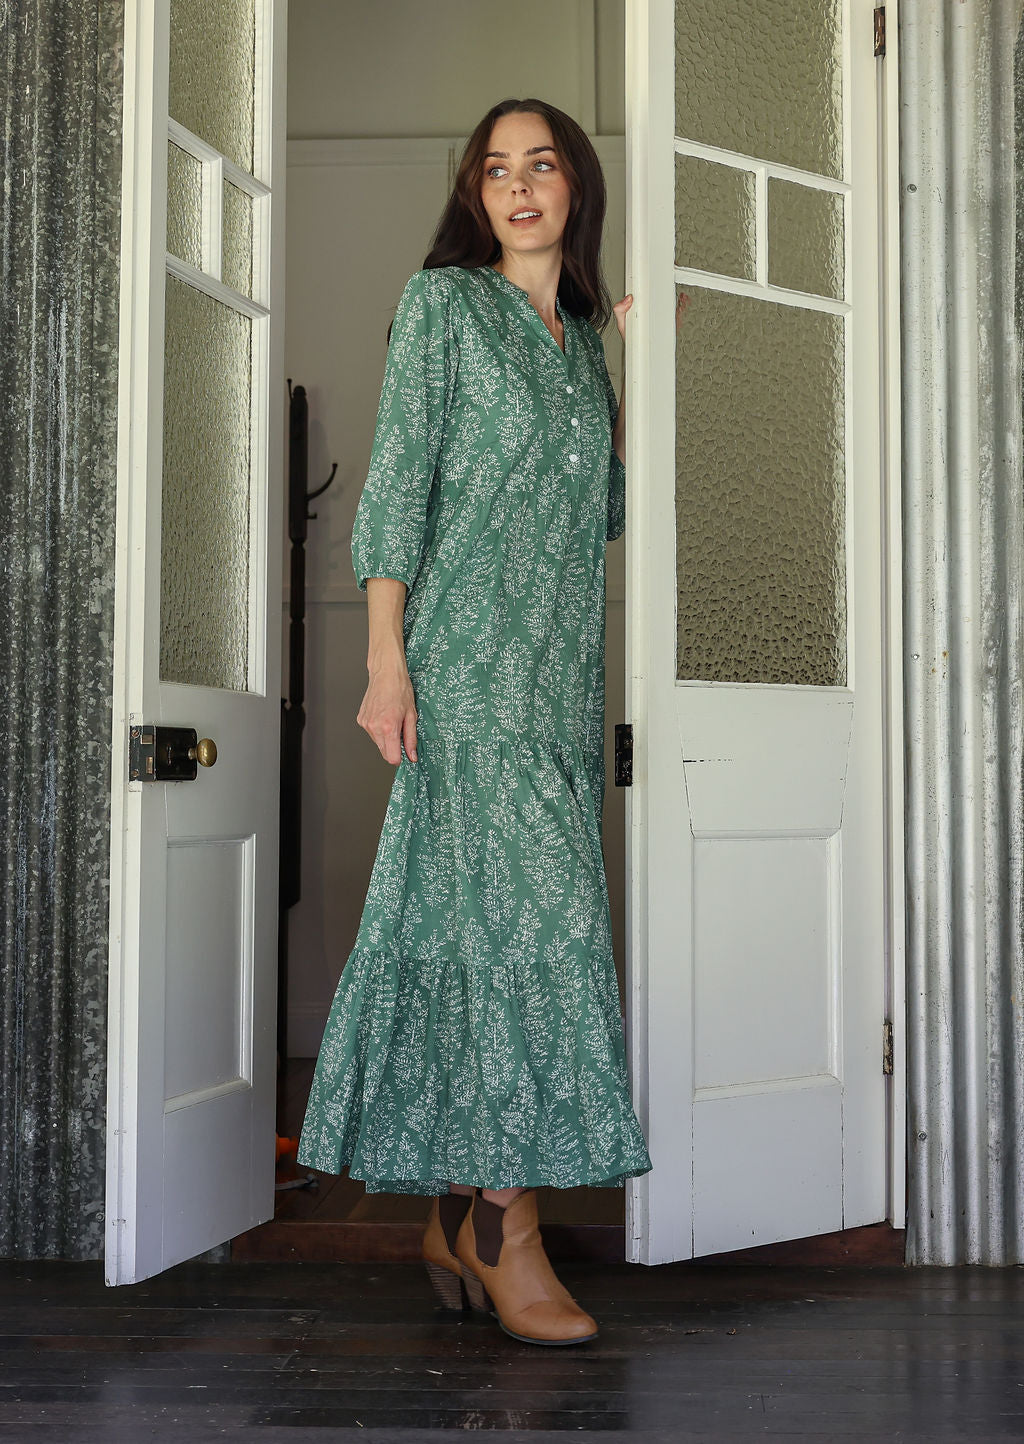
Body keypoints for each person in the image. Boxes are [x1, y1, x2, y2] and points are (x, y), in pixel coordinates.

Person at [298, 97, 685, 1346]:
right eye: (496, 169)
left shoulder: (580, 342)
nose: (519, 187)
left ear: (576, 189)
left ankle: (450, 1218)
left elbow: (603, 514)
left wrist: (638, 366)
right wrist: (386, 660)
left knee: (487, 941)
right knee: (542, 936)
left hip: (559, 685)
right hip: (465, 676)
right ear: (476, 193)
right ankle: (509, 1237)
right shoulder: (444, 307)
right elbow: (398, 485)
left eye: (542, 166)